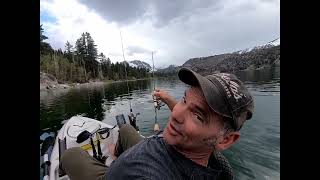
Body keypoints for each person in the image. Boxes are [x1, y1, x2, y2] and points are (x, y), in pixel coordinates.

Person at [60, 67, 254, 180]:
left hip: (114, 174)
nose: (177, 113)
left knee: (71, 155)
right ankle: (117, 151)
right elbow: (183, 112)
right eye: (185, 100)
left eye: (198, 116)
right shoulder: (198, 150)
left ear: (226, 140)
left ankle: (115, 158)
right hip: (158, 148)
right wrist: (168, 99)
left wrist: (119, 165)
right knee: (126, 128)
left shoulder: (148, 175)